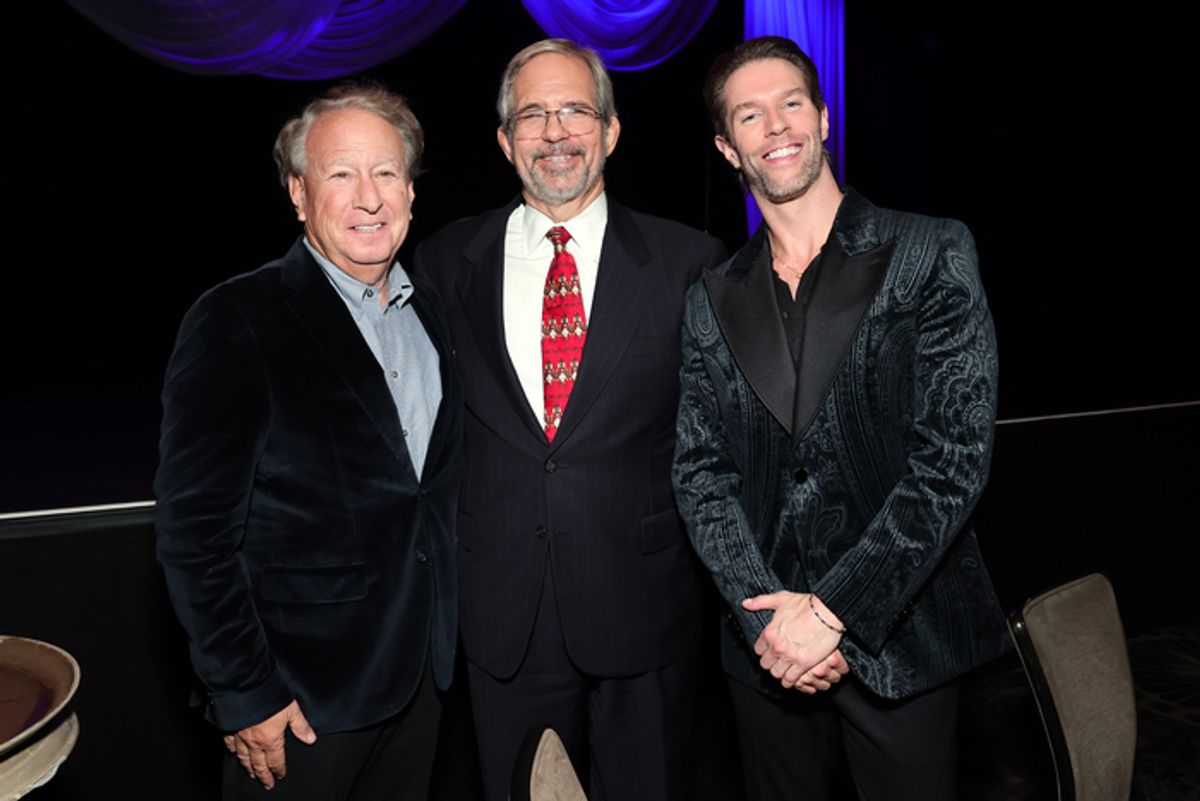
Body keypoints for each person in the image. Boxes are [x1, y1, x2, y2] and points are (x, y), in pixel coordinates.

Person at [672, 36, 1010, 801]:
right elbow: (699, 473)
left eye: (791, 103)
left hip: (903, 641)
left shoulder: (930, 250)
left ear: (823, 119)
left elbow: (952, 457)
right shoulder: (709, 296)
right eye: (750, 115)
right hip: (766, 654)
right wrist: (770, 624)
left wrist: (833, 611)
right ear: (727, 148)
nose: (776, 126)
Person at [413, 38, 726, 801]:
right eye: (532, 115)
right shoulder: (444, 263)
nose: (554, 131)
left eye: (575, 111)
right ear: (504, 139)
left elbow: (720, 444)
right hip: (504, 613)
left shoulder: (690, 262)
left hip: (644, 606)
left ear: (610, 131)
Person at [155, 84, 461, 801]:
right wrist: (244, 690)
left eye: (386, 172)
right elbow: (194, 535)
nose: (369, 197)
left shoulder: (431, 312)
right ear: (299, 193)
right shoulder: (238, 318)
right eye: (340, 173)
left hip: (422, 682)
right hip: (299, 703)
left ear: (411, 191)